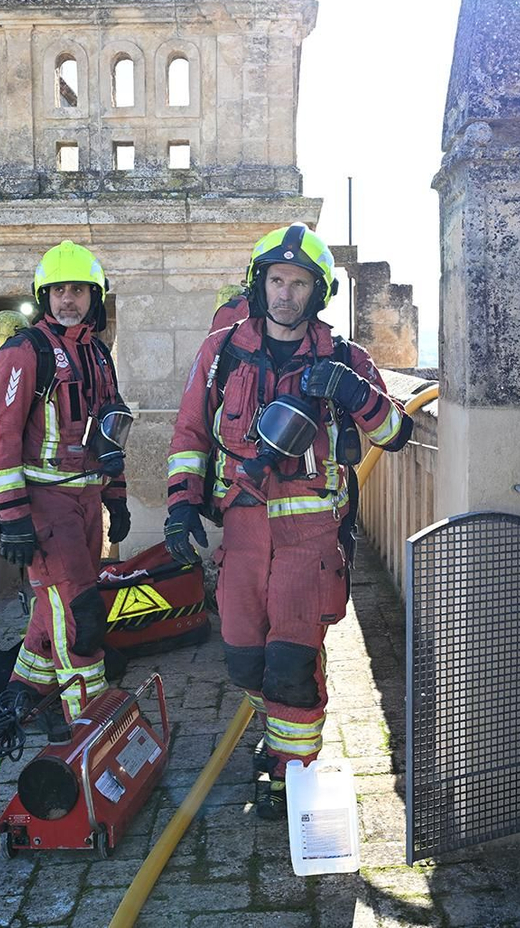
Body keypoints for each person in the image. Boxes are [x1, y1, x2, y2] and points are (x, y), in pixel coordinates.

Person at [163, 223, 413, 819]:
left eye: (299, 283)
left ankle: (293, 775)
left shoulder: (345, 359)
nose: (285, 293)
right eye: (276, 279)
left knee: (292, 666)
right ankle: (278, 738)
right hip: (243, 535)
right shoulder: (221, 352)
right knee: (245, 661)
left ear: (317, 292)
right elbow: (190, 433)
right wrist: (179, 503)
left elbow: (396, 433)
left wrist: (356, 393)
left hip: (311, 538)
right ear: (259, 284)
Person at [0, 241, 132, 734]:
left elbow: (112, 430)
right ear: (42, 295)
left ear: (95, 296)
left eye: (78, 290)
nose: (67, 300)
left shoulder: (99, 355)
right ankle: (88, 726)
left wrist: (118, 496)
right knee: (80, 615)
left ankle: (25, 692)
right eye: (58, 291)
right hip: (45, 504)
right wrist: (13, 518)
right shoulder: (24, 352)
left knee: (56, 605)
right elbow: (1, 439)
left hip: (87, 500)